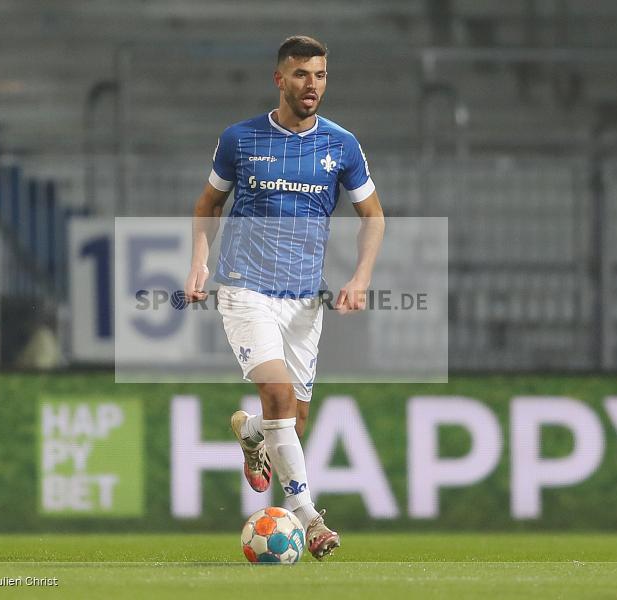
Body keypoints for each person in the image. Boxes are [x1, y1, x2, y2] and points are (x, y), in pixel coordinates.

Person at [184, 35, 385, 560]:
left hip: (304, 302)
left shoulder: (341, 145)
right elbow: (208, 203)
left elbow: (374, 217)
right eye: (300, 74)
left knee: (291, 423)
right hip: (245, 287)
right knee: (276, 393)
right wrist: (199, 262)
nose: (311, 84)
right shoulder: (240, 139)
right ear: (279, 79)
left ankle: (251, 433)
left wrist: (361, 276)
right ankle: (308, 517)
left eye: (318, 74)